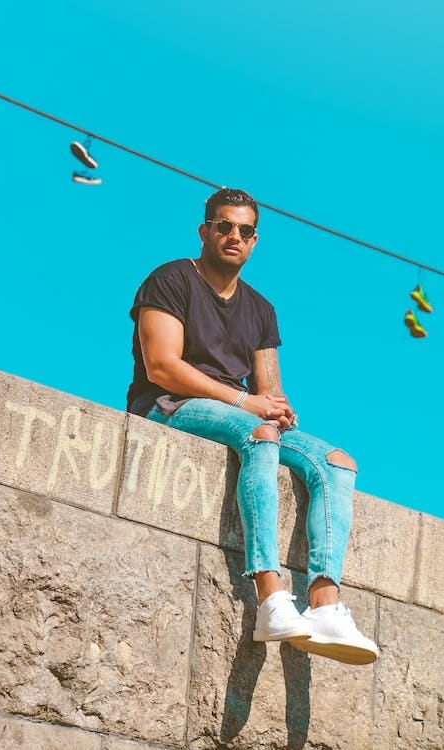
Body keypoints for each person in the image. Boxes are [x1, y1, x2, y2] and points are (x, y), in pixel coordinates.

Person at [126, 187, 378, 665]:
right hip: (168, 406)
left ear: (255, 240)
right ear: (205, 231)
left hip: (238, 413)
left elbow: (270, 391)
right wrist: (250, 404)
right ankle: (270, 596)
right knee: (258, 433)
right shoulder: (171, 279)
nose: (233, 236)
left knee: (336, 463)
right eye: (224, 226)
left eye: (244, 230)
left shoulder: (261, 309)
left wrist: (280, 410)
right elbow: (161, 366)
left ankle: (325, 604)